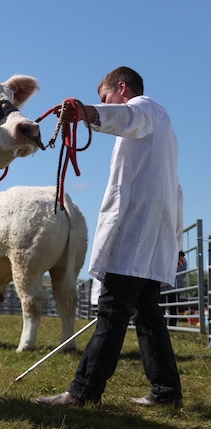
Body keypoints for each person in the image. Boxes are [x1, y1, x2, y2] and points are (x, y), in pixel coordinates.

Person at [36, 66, 184, 408]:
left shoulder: (145, 109)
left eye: (106, 98)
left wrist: (86, 113)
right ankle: (166, 392)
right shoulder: (164, 129)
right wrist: (175, 241)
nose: (105, 104)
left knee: (113, 311)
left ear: (121, 87)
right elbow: (176, 189)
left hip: (134, 233)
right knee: (147, 314)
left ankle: (83, 392)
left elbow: (129, 117)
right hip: (153, 235)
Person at [165, 251, 187, 326]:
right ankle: (173, 324)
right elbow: (184, 273)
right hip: (178, 286)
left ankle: (164, 323)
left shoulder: (170, 257)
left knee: (162, 305)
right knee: (174, 306)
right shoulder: (184, 260)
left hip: (168, 285)